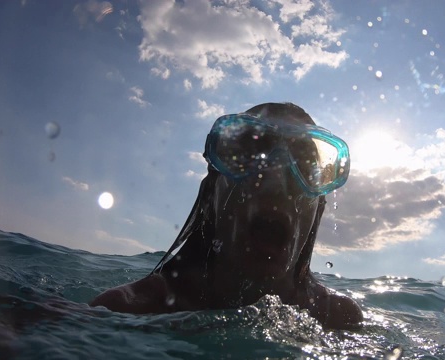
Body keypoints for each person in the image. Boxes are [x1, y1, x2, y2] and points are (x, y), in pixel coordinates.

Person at [90, 102, 363, 330]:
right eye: (251, 156)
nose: (276, 179)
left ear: (319, 209)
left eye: (304, 166)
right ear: (212, 195)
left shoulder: (337, 317)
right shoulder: (125, 310)